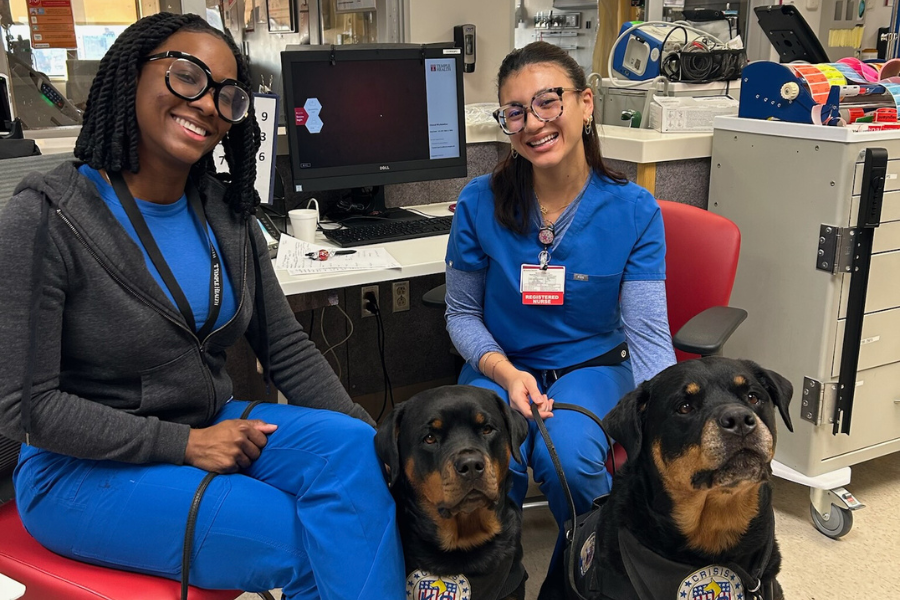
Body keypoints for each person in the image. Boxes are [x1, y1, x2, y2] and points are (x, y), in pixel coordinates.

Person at [0, 12, 405, 600]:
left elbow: (287, 348)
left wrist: (382, 453)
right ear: (131, 75)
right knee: (309, 542)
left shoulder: (223, 210)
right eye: (187, 77)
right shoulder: (45, 216)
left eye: (227, 94)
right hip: (75, 470)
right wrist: (183, 446)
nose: (209, 104)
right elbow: (26, 410)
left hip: (208, 422)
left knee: (355, 454)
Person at [444, 41, 676, 593]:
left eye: (549, 101)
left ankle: (573, 582)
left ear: (586, 103)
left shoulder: (634, 209)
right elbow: (459, 314)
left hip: (591, 365)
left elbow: (647, 334)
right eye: (516, 112)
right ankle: (495, 582)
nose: (534, 123)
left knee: (568, 455)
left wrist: (667, 418)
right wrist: (504, 373)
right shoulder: (479, 202)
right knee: (483, 465)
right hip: (500, 365)